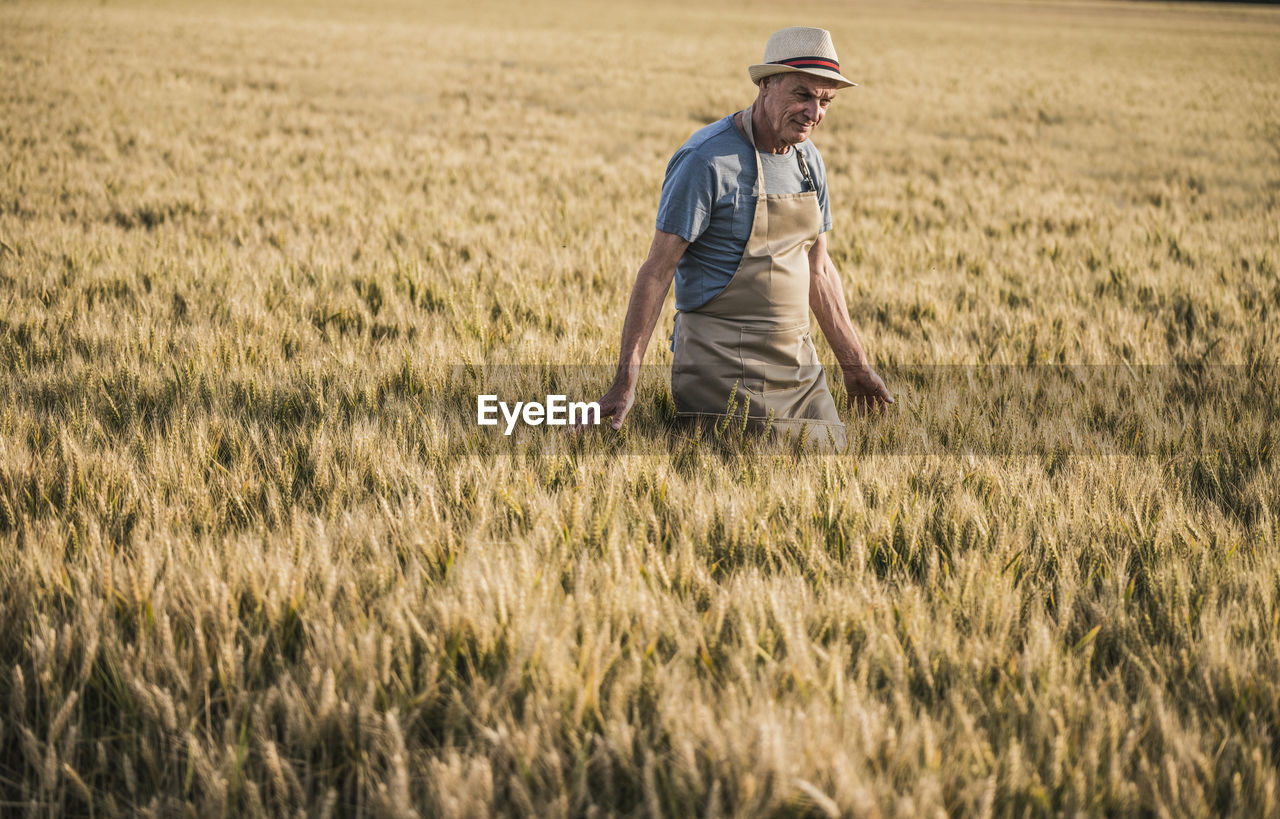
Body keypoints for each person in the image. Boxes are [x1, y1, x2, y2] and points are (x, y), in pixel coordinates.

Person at [590, 26, 892, 442]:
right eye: (803, 94)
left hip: (797, 365)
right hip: (722, 364)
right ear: (766, 84)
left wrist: (855, 366)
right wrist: (626, 381)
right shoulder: (707, 159)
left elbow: (818, 269)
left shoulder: (808, 161)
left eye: (826, 101)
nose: (814, 113)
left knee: (836, 453)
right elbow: (657, 271)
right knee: (785, 458)